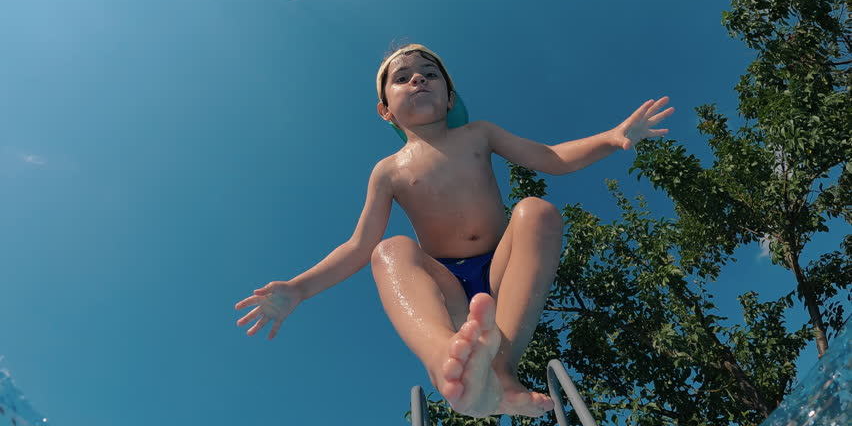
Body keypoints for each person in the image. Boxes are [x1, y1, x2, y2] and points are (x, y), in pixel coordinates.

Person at [235, 44, 674, 418]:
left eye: (429, 74)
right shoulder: (387, 171)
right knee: (389, 249)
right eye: (402, 78)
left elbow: (552, 158)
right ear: (385, 110)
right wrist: (297, 289)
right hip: (448, 291)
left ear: (449, 97)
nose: (418, 81)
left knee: (535, 211)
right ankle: (444, 354)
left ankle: (501, 372)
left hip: (502, 274)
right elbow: (357, 247)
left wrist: (613, 137)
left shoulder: (479, 134)